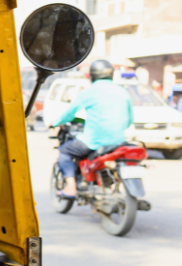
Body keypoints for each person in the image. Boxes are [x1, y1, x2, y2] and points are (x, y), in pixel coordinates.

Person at [51, 59, 134, 197]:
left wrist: (54, 123)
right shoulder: (123, 92)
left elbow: (70, 113)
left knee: (65, 151)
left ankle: (71, 187)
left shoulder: (89, 92)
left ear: (92, 75)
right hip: (118, 142)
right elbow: (130, 121)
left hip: (94, 142)